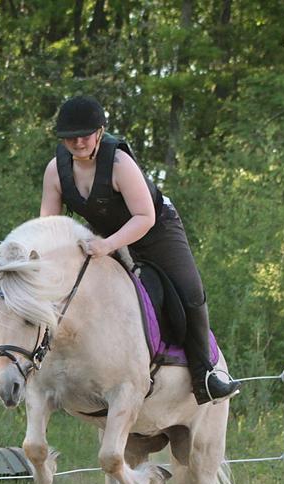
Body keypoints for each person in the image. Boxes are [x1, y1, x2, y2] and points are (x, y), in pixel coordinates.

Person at [40, 95, 241, 405]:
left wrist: (108, 245)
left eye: (85, 135)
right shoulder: (56, 171)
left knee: (190, 291)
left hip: (157, 230)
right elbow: (49, 228)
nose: (78, 142)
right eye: (71, 136)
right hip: (105, 234)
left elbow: (145, 217)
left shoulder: (119, 164)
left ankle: (206, 375)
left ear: (100, 132)